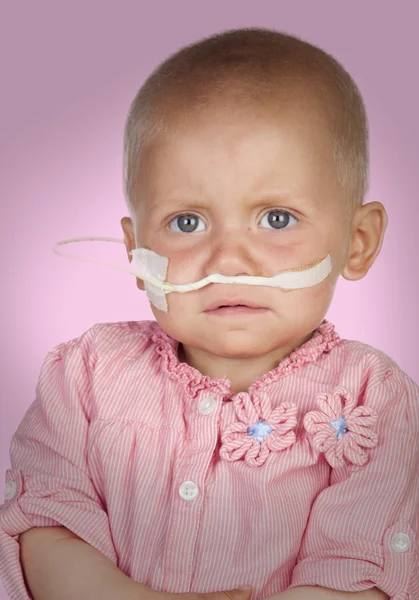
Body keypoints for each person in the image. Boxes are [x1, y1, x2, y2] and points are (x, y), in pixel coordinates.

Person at [1, 27, 417, 600]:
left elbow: (359, 571)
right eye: (187, 222)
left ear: (358, 241)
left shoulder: (377, 399)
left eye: (276, 218)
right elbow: (44, 529)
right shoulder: (85, 377)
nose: (228, 261)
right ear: (136, 251)